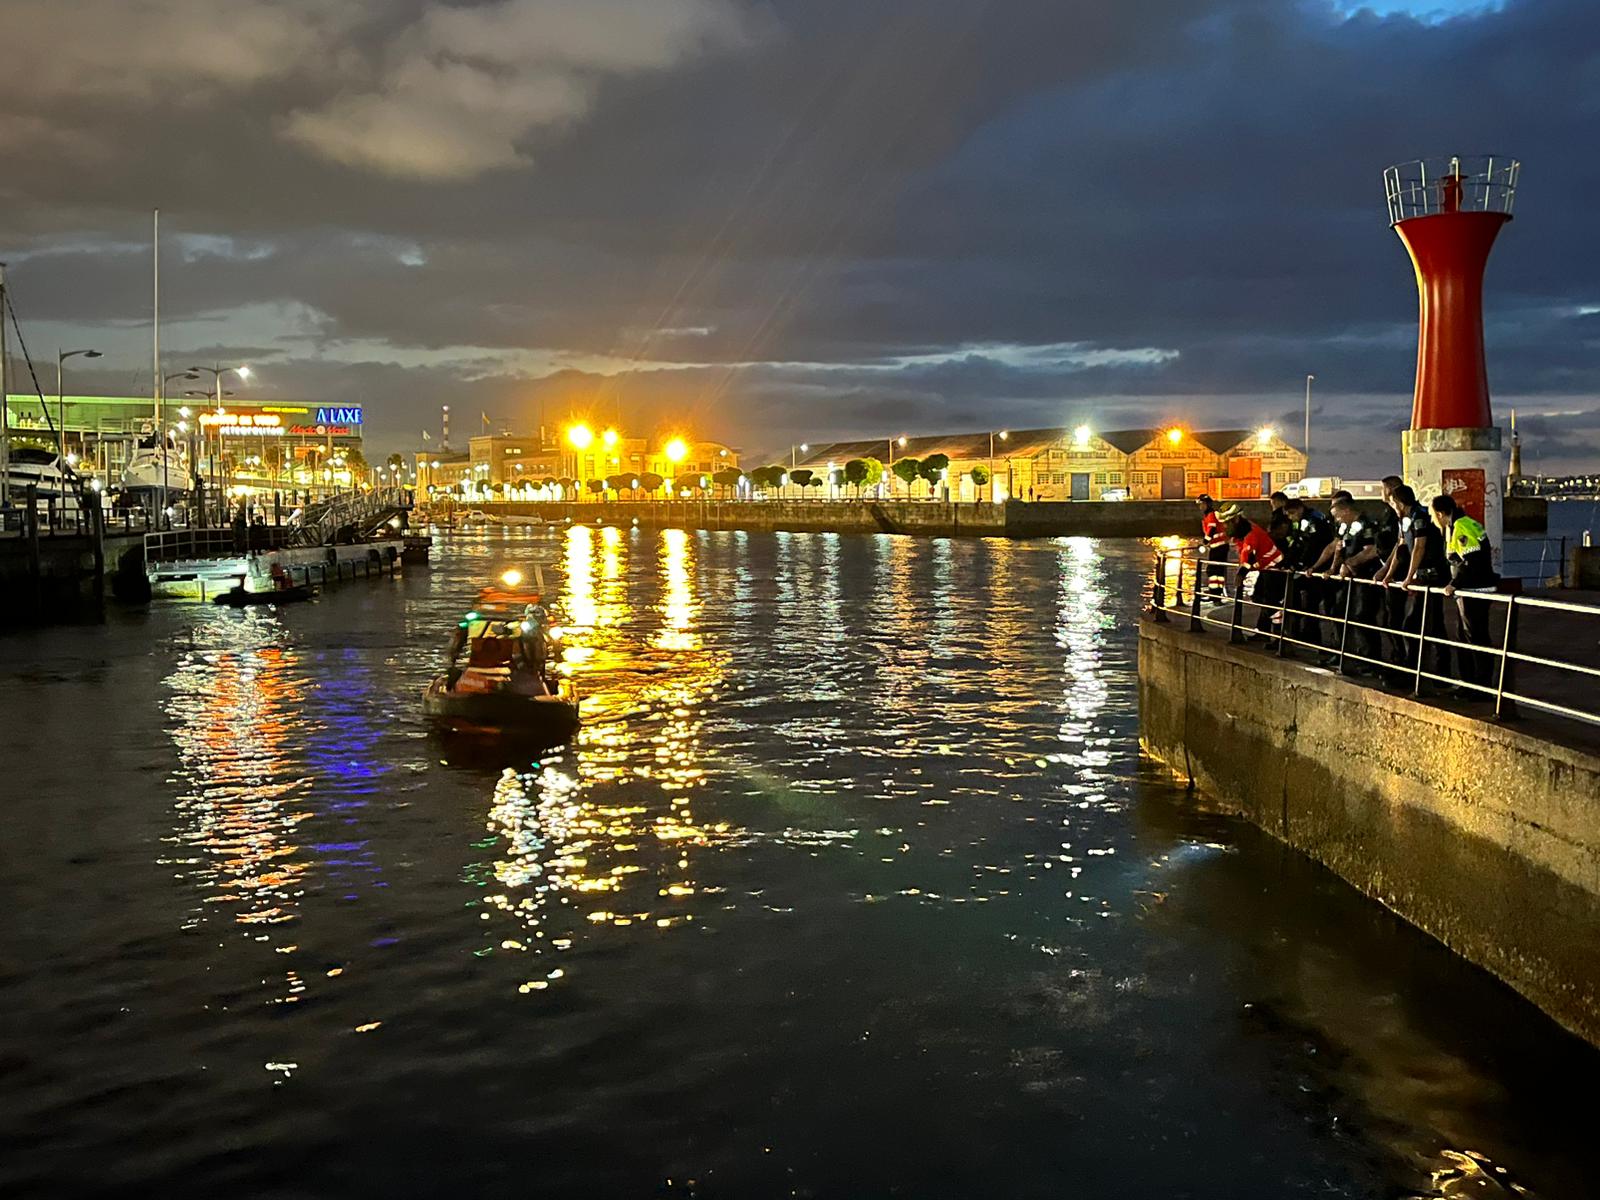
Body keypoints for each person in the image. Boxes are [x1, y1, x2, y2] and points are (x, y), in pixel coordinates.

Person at [1380, 484, 1450, 685]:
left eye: (1393, 503)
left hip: (1432, 576)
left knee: (1427, 624)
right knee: (1422, 624)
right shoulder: (1404, 520)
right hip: (1422, 576)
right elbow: (1401, 547)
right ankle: (1417, 668)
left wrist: (1409, 577)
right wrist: (1387, 573)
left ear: (1400, 503)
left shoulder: (1419, 517)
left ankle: (1433, 672)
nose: (1392, 506)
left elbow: (1419, 547)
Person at [1432, 494, 1499, 692]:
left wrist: (1454, 583)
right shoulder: (1463, 524)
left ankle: (1480, 686)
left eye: (1433, 515)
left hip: (1474, 590)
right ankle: (1470, 683)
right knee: (1465, 636)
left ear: (1440, 513)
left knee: (1475, 637)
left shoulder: (1461, 527)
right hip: (1473, 588)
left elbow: (1472, 560)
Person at [1324, 494, 1382, 673]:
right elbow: (1339, 548)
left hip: (1364, 577)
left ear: (1347, 510)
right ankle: (1343, 652)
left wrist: (1349, 564)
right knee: (1338, 612)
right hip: (1347, 579)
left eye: (1338, 515)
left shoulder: (1366, 525)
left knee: (1362, 616)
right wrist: (1333, 569)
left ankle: (1371, 659)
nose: (1336, 519)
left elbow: (1371, 550)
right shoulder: (1344, 527)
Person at [1230, 514, 1285, 632]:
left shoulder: (1251, 534)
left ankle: (1277, 634)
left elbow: (1249, 558)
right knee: (1258, 596)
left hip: (1274, 568)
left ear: (1235, 520)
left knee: (1270, 602)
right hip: (1266, 568)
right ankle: (1265, 630)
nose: (1224, 527)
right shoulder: (1247, 530)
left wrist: (1241, 574)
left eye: (1226, 523)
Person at [1195, 494, 1230, 599]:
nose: (1200, 507)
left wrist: (1205, 541)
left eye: (1201, 504)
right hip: (1221, 546)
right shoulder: (1213, 514)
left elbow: (1211, 529)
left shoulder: (1211, 515)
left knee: (1212, 570)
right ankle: (1217, 593)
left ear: (1206, 504)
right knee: (1219, 571)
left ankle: (1214, 593)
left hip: (1218, 547)